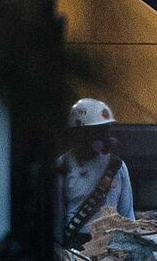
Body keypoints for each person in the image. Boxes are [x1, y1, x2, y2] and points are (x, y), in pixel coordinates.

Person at [55, 98, 134, 249]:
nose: (103, 138)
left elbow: (127, 214)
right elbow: (55, 218)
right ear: (79, 134)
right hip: (75, 243)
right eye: (96, 132)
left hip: (109, 245)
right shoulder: (63, 166)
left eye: (105, 131)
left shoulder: (116, 167)